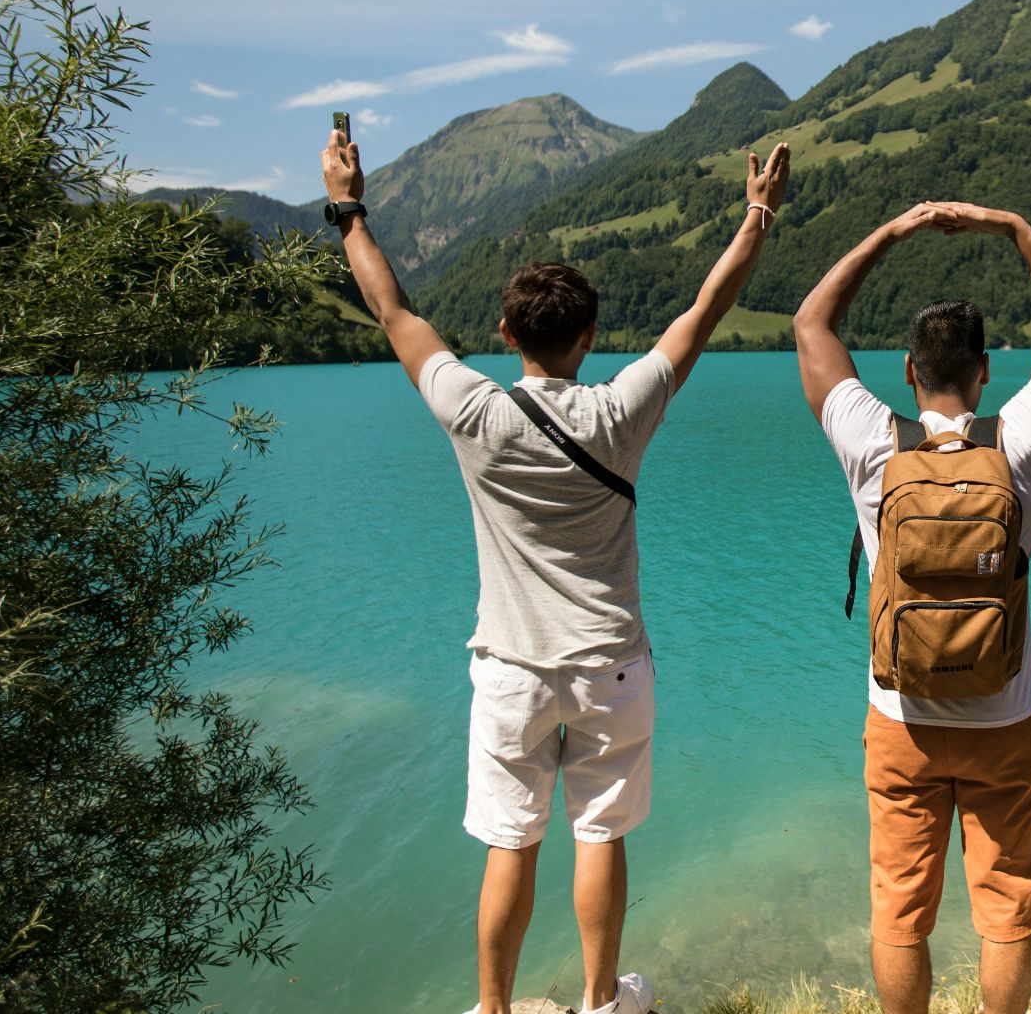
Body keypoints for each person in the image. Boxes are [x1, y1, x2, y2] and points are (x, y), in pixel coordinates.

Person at [318, 130, 790, 1014]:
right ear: (592, 335)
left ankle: (493, 1010)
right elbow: (704, 311)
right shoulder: (621, 411)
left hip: (511, 668)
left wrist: (348, 208)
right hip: (611, 663)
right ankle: (602, 1001)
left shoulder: (476, 414)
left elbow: (393, 312)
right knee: (601, 831)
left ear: (504, 334)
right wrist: (757, 215)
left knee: (510, 841)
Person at [792, 202, 1031, 1014]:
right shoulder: (1021, 438)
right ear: (987, 370)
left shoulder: (871, 440)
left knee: (900, 912)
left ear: (908, 369)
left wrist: (892, 231)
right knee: (1007, 908)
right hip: (1004, 715)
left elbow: (813, 321)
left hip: (901, 718)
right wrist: (1014, 227)